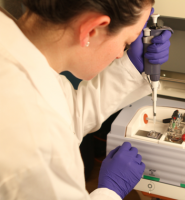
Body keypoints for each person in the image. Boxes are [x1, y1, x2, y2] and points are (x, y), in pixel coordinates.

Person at [0, 0, 172, 199]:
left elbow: (64, 111)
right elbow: (47, 123)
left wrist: (132, 66)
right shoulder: (38, 143)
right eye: (126, 43)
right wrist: (110, 192)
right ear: (91, 31)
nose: (119, 54)